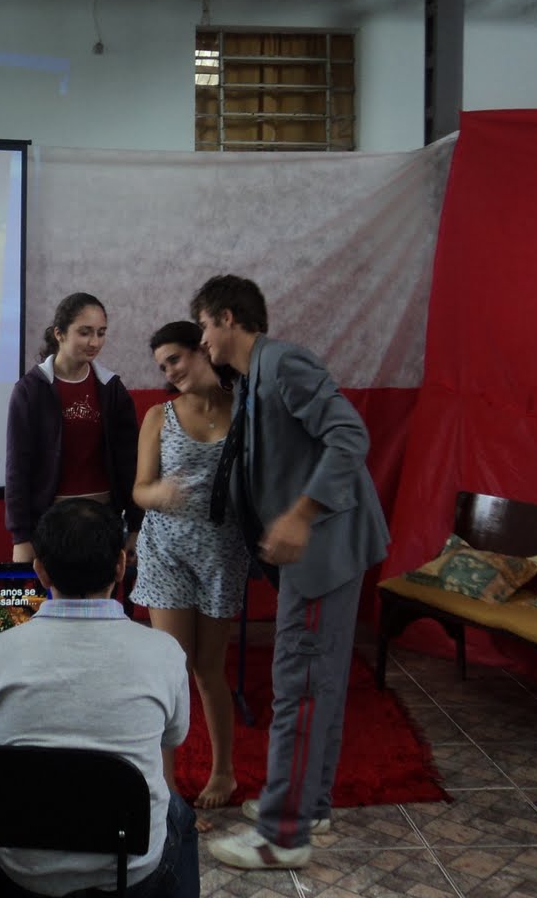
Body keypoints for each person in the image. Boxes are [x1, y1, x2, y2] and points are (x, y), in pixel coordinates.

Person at [189, 275, 390, 871]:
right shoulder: (257, 375)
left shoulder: (283, 364)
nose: (203, 341)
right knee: (316, 682)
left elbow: (349, 435)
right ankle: (310, 806)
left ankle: (282, 835)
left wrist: (301, 515)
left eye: (203, 326)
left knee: (299, 685)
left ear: (228, 318)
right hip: (321, 551)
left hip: (323, 550)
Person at [0, 498, 200, 898]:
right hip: (130, 872)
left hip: (21, 874)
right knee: (179, 816)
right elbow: (174, 735)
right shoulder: (164, 652)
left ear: (39, 570)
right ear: (121, 565)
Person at [131, 320, 251, 815]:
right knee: (172, 670)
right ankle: (167, 786)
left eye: (175, 359)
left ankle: (224, 769)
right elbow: (139, 489)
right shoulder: (158, 416)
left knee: (208, 669)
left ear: (202, 351)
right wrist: (158, 493)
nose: (170, 372)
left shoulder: (246, 408)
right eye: (162, 367)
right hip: (166, 553)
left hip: (223, 554)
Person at [5, 292, 140, 563]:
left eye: (101, 333)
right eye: (85, 332)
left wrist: (136, 526)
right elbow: (18, 467)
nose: (95, 342)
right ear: (60, 333)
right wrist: (21, 536)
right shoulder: (31, 390)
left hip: (105, 520)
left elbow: (131, 463)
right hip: (51, 523)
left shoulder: (112, 389)